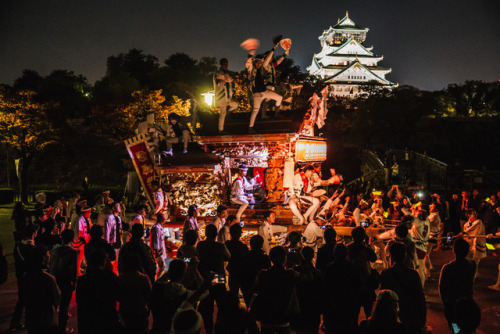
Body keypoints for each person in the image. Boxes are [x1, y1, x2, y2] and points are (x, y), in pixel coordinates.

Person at [251, 246, 299, 334]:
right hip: (284, 317)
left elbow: (255, 290)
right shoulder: (290, 274)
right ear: (285, 258)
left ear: (270, 258)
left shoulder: (262, 274)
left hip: (267, 317)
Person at [381, 242, 426, 334]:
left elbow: (383, 298)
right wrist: (422, 317)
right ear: (405, 256)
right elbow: (419, 297)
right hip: (410, 316)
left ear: (391, 256)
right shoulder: (413, 274)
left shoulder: (386, 274)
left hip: (393, 316)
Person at [151, 259, 204, 334]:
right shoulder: (185, 294)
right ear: (183, 274)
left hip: (157, 330)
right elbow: (204, 291)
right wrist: (195, 272)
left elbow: (159, 281)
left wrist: (170, 272)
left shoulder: (157, 286)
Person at [76, 249, 122, 334]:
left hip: (87, 320)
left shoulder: (83, 280)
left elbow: (79, 299)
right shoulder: (110, 278)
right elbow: (119, 296)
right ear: (104, 262)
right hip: (106, 319)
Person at [196, 224, 231, 334]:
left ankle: (209, 329)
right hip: (218, 277)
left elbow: (196, 257)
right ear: (216, 234)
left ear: (205, 234)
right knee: (221, 304)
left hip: (205, 278)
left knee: (207, 306)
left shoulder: (200, 245)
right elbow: (228, 257)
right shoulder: (220, 246)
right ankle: (218, 327)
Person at [245, 46, 284, 133]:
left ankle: (277, 114)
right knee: (255, 110)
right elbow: (248, 64)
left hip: (265, 92)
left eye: (260, 62)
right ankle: (250, 127)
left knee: (279, 98)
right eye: (257, 62)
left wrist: (273, 48)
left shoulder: (263, 68)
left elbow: (267, 59)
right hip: (257, 94)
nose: (258, 64)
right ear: (254, 62)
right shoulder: (252, 70)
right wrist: (250, 56)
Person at [439, 238, 476, 329]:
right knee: (467, 326)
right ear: (467, 252)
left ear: (453, 250)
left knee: (455, 327)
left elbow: (442, 288)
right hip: (467, 303)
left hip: (452, 305)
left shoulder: (447, 268)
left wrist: (446, 304)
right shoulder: (472, 265)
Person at [323, 244, 360, 334]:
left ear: (334, 254)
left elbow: (326, 290)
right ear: (346, 253)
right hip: (348, 305)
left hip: (333, 306)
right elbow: (356, 288)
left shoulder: (329, 268)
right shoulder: (352, 268)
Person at [23, 246, 61, 334]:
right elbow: (56, 298)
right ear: (43, 257)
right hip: (46, 319)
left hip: (32, 318)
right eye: (48, 254)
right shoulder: (48, 279)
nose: (49, 255)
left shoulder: (27, 276)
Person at [48, 229, 77, 334]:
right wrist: (73, 282)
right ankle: (62, 329)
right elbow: (73, 269)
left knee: (54, 305)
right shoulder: (73, 252)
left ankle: (52, 326)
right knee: (64, 306)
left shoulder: (54, 250)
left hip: (55, 280)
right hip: (65, 282)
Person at [10, 224, 38, 331]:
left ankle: (14, 323)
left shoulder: (18, 246)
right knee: (30, 301)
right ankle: (28, 323)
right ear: (33, 233)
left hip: (20, 276)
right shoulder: (32, 248)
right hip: (29, 277)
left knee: (21, 300)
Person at [117, 252, 152, 334]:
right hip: (140, 310)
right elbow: (149, 295)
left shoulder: (121, 278)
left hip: (125, 310)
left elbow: (117, 295)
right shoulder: (143, 278)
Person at [292, 246, 324, 334]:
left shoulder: (295, 272)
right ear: (313, 256)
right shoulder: (318, 273)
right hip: (313, 309)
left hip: (300, 308)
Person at [240, 235, 272, 307]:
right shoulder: (265, 258)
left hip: (247, 287)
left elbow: (241, 274)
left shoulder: (245, 257)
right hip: (260, 288)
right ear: (261, 245)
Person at [458, 209, 486, 278]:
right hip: (469, 245)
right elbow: (466, 236)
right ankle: (468, 274)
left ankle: (473, 276)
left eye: (476, 213)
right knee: (467, 260)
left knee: (475, 262)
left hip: (477, 245)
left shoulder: (479, 222)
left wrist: (462, 233)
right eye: (473, 214)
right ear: (468, 215)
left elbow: (471, 230)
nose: (475, 215)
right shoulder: (465, 224)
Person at [214, 58, 238, 134]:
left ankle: (227, 116)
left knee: (235, 105)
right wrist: (226, 79)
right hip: (221, 96)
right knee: (222, 113)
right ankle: (220, 130)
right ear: (221, 64)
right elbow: (221, 80)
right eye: (224, 64)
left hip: (228, 96)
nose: (226, 65)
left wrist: (233, 95)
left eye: (226, 64)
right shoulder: (218, 73)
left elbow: (230, 82)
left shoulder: (227, 73)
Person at [225, 223, 249, 294]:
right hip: (240, 272)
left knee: (233, 291)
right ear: (240, 234)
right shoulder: (243, 247)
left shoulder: (227, 245)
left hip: (231, 271)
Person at [425, 202, 442, 277]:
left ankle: (427, 272)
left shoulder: (434, 216)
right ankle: (430, 267)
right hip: (431, 235)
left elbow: (425, 222)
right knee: (426, 253)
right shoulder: (433, 214)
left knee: (426, 254)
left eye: (432, 206)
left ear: (436, 209)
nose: (430, 207)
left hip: (432, 236)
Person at [76, 206, 92, 275]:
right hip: (81, 240)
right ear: (85, 213)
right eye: (89, 212)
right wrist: (82, 241)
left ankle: (79, 268)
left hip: (87, 239)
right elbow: (80, 231)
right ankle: (77, 270)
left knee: (83, 255)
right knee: (80, 256)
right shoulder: (80, 220)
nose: (90, 213)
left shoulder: (88, 219)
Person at [150, 213, 167, 279]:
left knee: (158, 266)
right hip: (157, 251)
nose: (164, 220)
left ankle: (156, 278)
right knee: (162, 266)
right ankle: (158, 279)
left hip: (159, 250)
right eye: (163, 219)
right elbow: (155, 240)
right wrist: (156, 251)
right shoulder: (156, 228)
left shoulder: (159, 227)